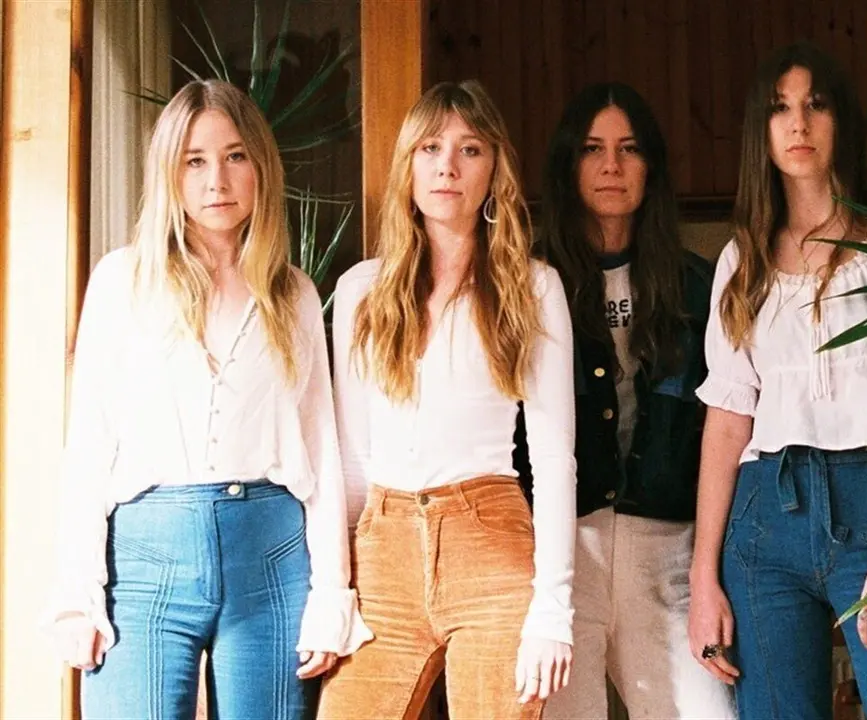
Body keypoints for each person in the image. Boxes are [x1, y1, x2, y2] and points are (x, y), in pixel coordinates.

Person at [50, 79, 366, 719]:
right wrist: (76, 597)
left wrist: (331, 594)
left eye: (234, 156)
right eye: (194, 161)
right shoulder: (122, 282)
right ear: (170, 173)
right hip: (144, 561)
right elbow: (88, 446)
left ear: (260, 166)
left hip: (272, 560)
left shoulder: (294, 294)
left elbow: (322, 453)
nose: (216, 180)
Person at [688, 42, 867, 718]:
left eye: (815, 104)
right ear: (761, 130)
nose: (798, 123)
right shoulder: (742, 260)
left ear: (842, 119)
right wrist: (703, 578)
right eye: (779, 108)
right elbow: (727, 421)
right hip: (765, 522)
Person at [316, 80, 576, 720]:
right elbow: (351, 456)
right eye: (430, 148)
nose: (447, 167)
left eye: (470, 149)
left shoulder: (533, 288)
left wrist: (553, 609)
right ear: (408, 163)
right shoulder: (361, 290)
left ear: (494, 170)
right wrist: (334, 589)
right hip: (381, 548)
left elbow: (553, 459)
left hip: (489, 539)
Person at [516, 81, 736, 719]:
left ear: (651, 166)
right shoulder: (528, 284)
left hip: (669, 549)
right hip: (562, 550)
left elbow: (726, 427)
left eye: (629, 148)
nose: (611, 165)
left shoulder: (698, 286)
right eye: (593, 149)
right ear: (569, 165)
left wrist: (708, 571)